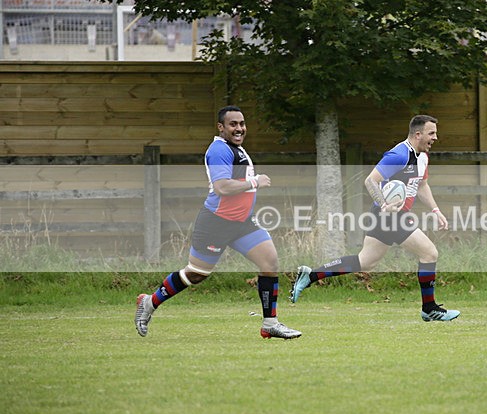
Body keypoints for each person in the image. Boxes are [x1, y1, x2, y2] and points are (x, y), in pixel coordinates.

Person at [134, 106, 301, 340]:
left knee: (270, 262)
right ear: (221, 127)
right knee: (196, 274)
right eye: (233, 124)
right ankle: (149, 302)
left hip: (242, 222)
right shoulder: (219, 150)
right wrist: (255, 182)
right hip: (217, 223)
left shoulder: (235, 148)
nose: (239, 128)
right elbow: (222, 187)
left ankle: (270, 323)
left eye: (242, 123)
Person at [290, 114, 460, 322]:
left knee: (365, 262)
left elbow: (422, 185)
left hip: (389, 215)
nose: (435, 137)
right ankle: (429, 308)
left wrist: (435, 210)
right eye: (431, 133)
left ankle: (311, 275)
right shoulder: (398, 155)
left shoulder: (422, 156)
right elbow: (371, 181)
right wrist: (385, 204)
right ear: (418, 134)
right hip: (388, 216)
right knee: (429, 253)